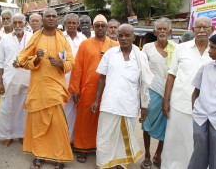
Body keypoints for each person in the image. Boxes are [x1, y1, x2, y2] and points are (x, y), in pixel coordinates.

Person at [16, 8, 74, 169]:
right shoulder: (35, 37)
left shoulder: (63, 39)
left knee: (58, 124)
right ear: (42, 19)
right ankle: (39, 156)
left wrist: (60, 64)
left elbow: (70, 61)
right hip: (39, 88)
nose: (51, 18)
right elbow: (22, 60)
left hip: (56, 87)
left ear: (57, 20)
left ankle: (59, 157)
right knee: (39, 124)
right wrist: (36, 59)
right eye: (47, 16)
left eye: (54, 16)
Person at [91, 24, 153, 169]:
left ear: (134, 37)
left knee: (124, 136)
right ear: (117, 36)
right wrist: (96, 100)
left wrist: (144, 106)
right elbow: (102, 78)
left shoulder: (140, 56)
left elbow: (144, 83)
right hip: (109, 102)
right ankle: (104, 163)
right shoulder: (110, 53)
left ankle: (121, 164)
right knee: (104, 135)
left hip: (129, 104)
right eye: (121, 35)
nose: (123, 38)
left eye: (127, 35)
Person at [161, 16, 214, 169]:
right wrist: (166, 100)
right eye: (198, 27)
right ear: (192, 30)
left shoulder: (214, 52)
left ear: (212, 29)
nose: (202, 30)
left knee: (199, 145)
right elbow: (171, 75)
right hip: (179, 104)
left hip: (206, 110)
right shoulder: (181, 48)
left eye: (205, 27)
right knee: (174, 143)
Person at [69, 14, 118, 163]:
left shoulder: (115, 45)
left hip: (108, 89)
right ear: (93, 27)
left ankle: (99, 148)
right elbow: (77, 67)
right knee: (85, 119)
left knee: (104, 120)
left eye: (103, 25)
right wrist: (75, 88)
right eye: (98, 25)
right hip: (88, 88)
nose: (101, 28)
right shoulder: (85, 44)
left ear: (107, 28)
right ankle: (82, 149)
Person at [141, 17, 175, 169]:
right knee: (147, 124)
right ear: (154, 32)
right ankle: (147, 155)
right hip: (151, 91)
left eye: (164, 29)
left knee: (166, 125)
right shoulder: (147, 48)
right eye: (159, 29)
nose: (162, 31)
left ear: (170, 31)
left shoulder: (176, 48)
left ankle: (158, 154)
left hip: (170, 92)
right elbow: (142, 72)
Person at [0, 13, 32, 147]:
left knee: (24, 109)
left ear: (25, 23)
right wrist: (0, 82)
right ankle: (8, 136)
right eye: (15, 22)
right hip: (9, 78)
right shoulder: (4, 39)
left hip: (26, 77)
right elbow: (0, 62)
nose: (17, 25)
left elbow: (34, 58)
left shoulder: (31, 38)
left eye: (20, 22)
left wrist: (23, 63)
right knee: (8, 109)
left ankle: (22, 135)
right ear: (12, 23)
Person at [187, 34, 216, 169]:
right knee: (199, 151)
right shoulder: (206, 67)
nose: (209, 51)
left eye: (213, 48)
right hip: (201, 117)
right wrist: (195, 110)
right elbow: (195, 92)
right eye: (210, 47)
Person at [63, 13, 87, 143]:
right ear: (65, 24)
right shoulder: (60, 37)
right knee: (64, 113)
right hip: (63, 80)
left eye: (74, 23)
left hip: (79, 83)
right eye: (69, 23)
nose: (71, 25)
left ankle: (73, 141)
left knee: (77, 114)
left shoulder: (83, 39)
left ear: (78, 25)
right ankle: (64, 140)